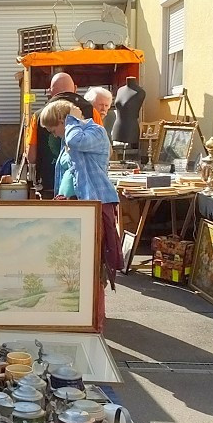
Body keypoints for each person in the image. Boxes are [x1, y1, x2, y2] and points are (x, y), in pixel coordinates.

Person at [39, 98, 124, 331]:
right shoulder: (72, 135)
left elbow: (74, 140)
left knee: (93, 266)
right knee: (75, 264)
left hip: (95, 205)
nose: (54, 135)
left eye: (53, 128)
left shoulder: (93, 132)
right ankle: (77, 317)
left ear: (62, 121)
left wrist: (72, 119)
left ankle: (94, 322)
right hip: (80, 206)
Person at [27, 72, 77, 192]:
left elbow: (31, 156)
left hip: (48, 183)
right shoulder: (91, 112)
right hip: (84, 189)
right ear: (75, 88)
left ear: (50, 91)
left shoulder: (38, 116)